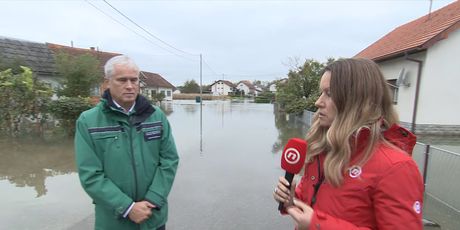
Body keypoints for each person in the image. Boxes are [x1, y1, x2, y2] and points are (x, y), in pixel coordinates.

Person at [273, 58, 424, 229]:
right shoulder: (323, 150)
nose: (318, 102)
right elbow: (316, 201)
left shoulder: (396, 167)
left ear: (355, 101)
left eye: (329, 94)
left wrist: (318, 225)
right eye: (320, 93)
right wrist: (293, 199)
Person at [75, 55, 179, 230]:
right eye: (122, 80)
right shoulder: (88, 121)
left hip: (153, 217)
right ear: (107, 83)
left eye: (134, 80)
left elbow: (169, 160)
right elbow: (90, 174)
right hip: (114, 222)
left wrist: (153, 198)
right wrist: (128, 207)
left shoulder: (156, 116)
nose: (130, 86)